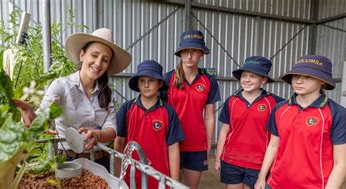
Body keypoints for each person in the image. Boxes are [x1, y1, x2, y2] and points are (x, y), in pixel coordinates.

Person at [15, 28, 132, 170]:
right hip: (68, 161)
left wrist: (98, 135)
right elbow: (42, 116)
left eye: (105, 60)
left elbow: (112, 130)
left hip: (100, 162)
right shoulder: (61, 86)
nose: (98, 63)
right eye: (94, 55)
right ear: (82, 55)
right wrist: (30, 116)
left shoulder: (107, 94)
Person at [254, 55, 346, 189]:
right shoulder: (280, 109)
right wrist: (262, 178)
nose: (299, 81)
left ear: (322, 82)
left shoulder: (338, 114)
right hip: (275, 184)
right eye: (296, 76)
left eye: (307, 77)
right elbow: (273, 145)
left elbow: (341, 164)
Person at [161, 30, 221, 189]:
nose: (189, 56)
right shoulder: (167, 79)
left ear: (201, 53)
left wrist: (208, 147)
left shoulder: (209, 81)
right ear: (180, 53)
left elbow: (209, 117)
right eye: (186, 51)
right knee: (171, 186)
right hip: (172, 143)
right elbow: (160, 114)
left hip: (196, 145)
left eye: (194, 51)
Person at [214, 56, 285, 189]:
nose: (246, 80)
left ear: (263, 79)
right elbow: (224, 131)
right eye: (244, 75)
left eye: (253, 76)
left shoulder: (276, 103)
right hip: (231, 160)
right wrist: (218, 158)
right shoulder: (232, 101)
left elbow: (279, 138)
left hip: (259, 163)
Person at [114, 60, 184, 189]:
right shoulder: (127, 108)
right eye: (142, 81)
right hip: (131, 175)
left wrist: (174, 184)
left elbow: (173, 149)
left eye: (151, 80)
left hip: (159, 177)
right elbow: (119, 143)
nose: (146, 85)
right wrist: (118, 177)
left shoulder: (169, 112)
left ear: (160, 83)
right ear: (138, 85)